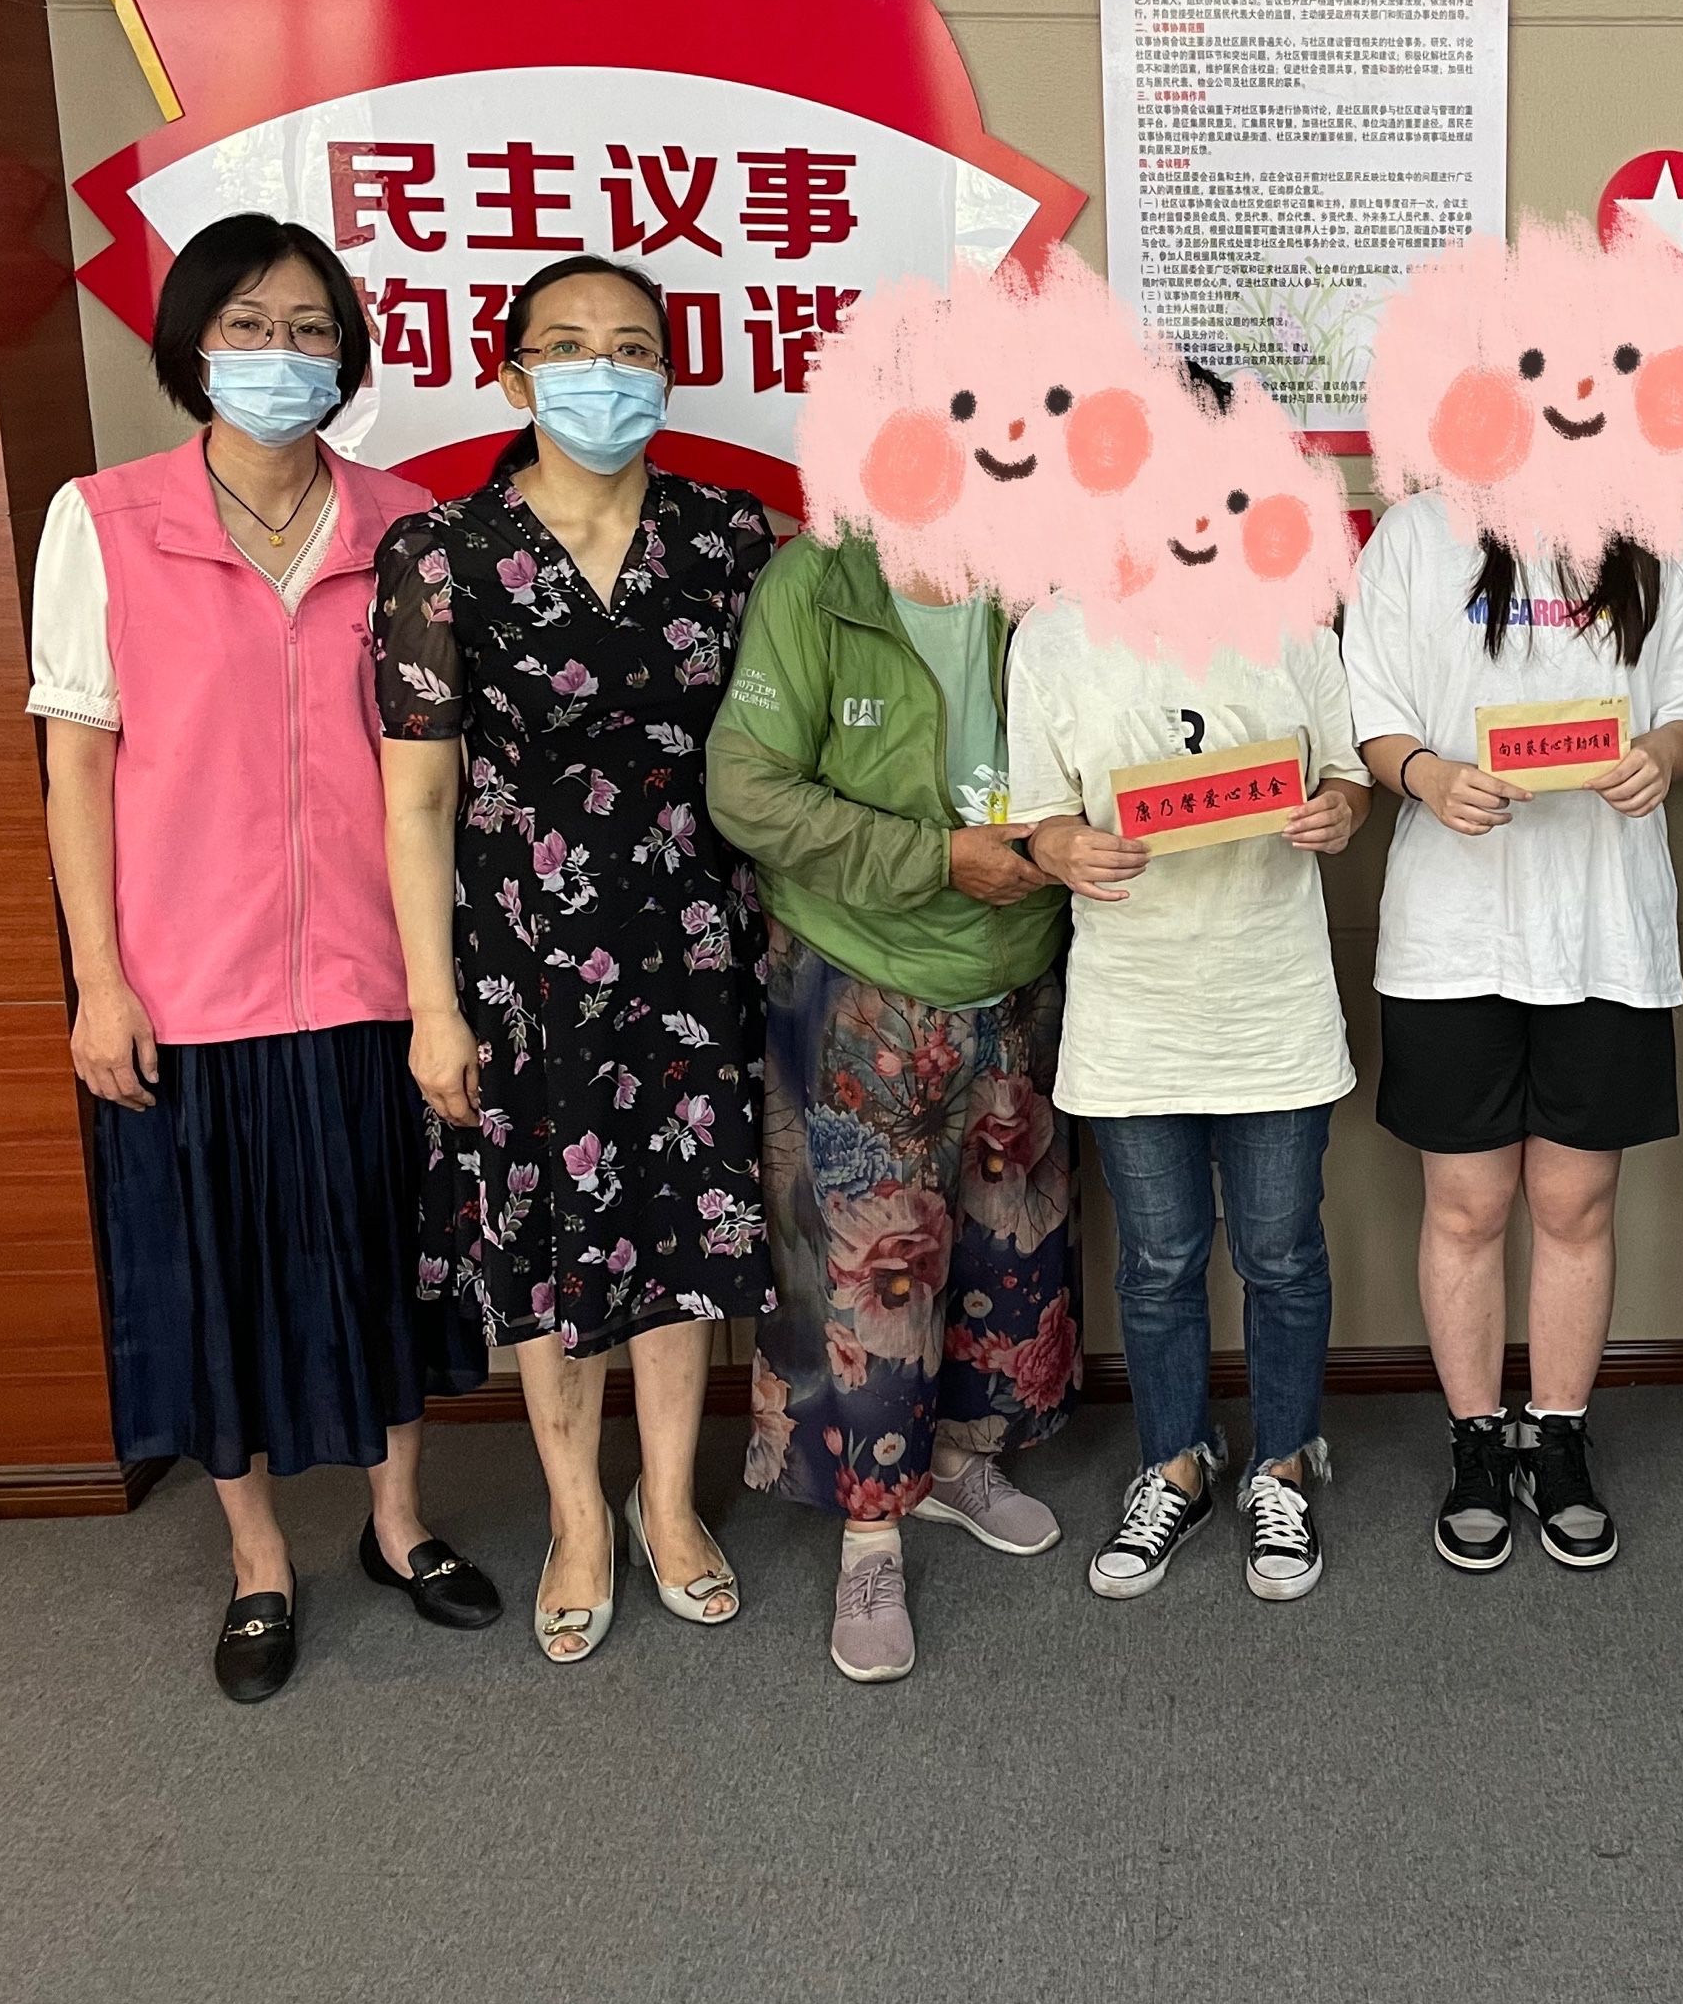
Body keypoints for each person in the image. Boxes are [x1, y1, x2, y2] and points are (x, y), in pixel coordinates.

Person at [31, 212, 495, 1703]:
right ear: (191, 346)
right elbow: (77, 767)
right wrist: (101, 980)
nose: (278, 355)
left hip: (377, 975)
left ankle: (398, 1524)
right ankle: (256, 1562)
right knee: (216, 1278)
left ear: (346, 353)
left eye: (307, 329)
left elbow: (445, 773)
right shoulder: (105, 520)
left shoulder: (408, 525)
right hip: (190, 989)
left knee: (388, 1263)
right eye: (246, 326)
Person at [376, 256, 774, 1665]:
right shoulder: (441, 552)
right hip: (520, 956)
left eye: (632, 347)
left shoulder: (729, 536)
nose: (604, 372)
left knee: (681, 1222)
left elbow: (771, 749)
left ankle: (667, 1503)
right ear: (513, 377)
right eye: (568, 346)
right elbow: (418, 799)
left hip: (694, 939)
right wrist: (433, 1007)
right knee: (545, 1231)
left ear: (667, 372)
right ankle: (575, 1516)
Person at [707, 501, 1074, 1685]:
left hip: (1017, 968)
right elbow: (746, 788)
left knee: (1007, 1240)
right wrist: (931, 858)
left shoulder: (1045, 564)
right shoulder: (818, 584)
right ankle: (869, 1534)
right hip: (863, 971)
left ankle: (959, 1458)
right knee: (868, 1267)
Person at [1345, 489, 1683, 1573]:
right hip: (1453, 931)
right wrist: (1426, 775)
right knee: (1465, 1206)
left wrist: (1664, 754)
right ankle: (1476, 1440)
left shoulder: (1662, 536)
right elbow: (1371, 708)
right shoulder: (1418, 533)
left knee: (1575, 1203)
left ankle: (1558, 1434)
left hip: (1604, 926)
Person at [1011, 584, 1371, 1603]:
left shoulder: (1293, 615)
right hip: (1135, 1005)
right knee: (1158, 1260)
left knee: (1281, 1254)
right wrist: (1059, 847)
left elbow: (1350, 777)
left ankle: (1283, 1465)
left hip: (1273, 998)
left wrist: (1339, 812)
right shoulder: (1053, 631)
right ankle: (1173, 1466)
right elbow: (1035, 812)